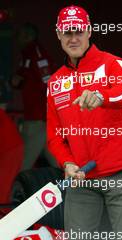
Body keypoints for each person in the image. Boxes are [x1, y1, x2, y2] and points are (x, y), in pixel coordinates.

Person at [47, 5, 122, 240]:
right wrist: (67, 163)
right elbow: (55, 135)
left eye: (79, 31)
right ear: (58, 34)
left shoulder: (114, 64)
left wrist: (102, 96)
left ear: (89, 31)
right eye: (67, 32)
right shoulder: (55, 82)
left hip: (121, 172)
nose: (73, 38)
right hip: (82, 178)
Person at [11, 23, 58, 170]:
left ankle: (13, 191)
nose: (17, 38)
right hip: (37, 115)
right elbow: (23, 79)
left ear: (28, 36)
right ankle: (82, 185)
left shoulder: (36, 54)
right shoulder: (27, 55)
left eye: (20, 35)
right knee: (55, 159)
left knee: (22, 163)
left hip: (38, 116)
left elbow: (49, 82)